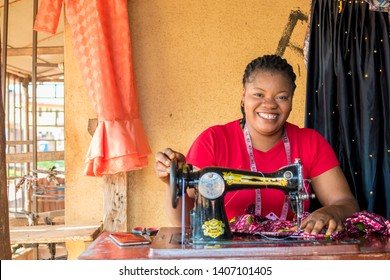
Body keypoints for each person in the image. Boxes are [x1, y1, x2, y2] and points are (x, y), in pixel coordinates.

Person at [155, 54, 359, 236]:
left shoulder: (310, 142)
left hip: (292, 256)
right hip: (226, 257)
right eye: (259, 95)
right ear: (243, 96)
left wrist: (330, 211)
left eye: (281, 97)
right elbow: (184, 223)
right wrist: (171, 182)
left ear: (291, 101)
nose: (270, 104)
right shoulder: (214, 141)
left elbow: (346, 202)